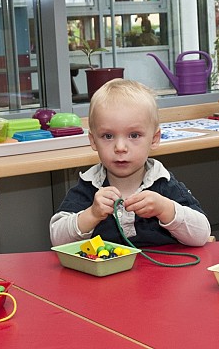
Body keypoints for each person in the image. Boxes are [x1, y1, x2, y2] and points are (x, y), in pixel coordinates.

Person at [50, 79, 210, 248]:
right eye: (108, 136)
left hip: (161, 273)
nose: (120, 148)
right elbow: (57, 239)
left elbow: (201, 235)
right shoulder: (89, 187)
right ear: (93, 141)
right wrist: (92, 214)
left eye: (134, 135)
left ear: (154, 139)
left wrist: (165, 209)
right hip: (107, 274)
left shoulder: (164, 184)